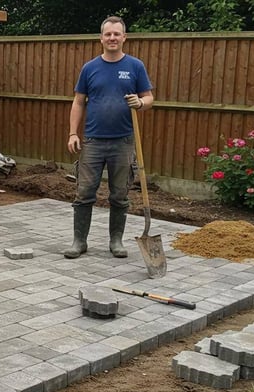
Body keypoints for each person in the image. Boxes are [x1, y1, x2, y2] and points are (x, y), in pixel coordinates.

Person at [64, 16, 153, 259]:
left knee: (119, 194)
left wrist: (140, 102)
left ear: (124, 37)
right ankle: (79, 241)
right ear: (101, 38)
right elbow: (78, 102)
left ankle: (116, 241)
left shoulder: (135, 66)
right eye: (108, 34)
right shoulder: (90, 68)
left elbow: (149, 98)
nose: (112, 38)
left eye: (116, 34)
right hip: (93, 141)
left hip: (123, 141)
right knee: (84, 193)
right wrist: (73, 133)